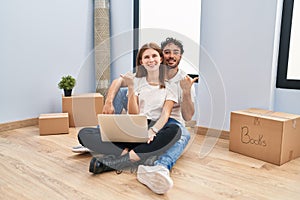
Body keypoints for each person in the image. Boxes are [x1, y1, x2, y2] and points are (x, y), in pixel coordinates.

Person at [101, 37, 198, 194]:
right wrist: (108, 102)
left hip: (170, 121)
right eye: (167, 52)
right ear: (162, 55)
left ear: (181, 56)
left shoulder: (183, 80)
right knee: (123, 91)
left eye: (176, 52)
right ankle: (104, 132)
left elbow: (187, 117)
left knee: (182, 133)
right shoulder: (148, 71)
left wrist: (186, 92)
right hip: (146, 116)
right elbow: (118, 81)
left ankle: (159, 167)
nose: (171, 56)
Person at [77, 42, 182, 176]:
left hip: (153, 129)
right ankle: (136, 155)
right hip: (135, 125)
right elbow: (134, 113)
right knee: (84, 134)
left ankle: (118, 161)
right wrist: (132, 88)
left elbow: (165, 114)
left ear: (161, 59)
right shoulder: (137, 81)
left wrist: (152, 131)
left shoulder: (170, 85)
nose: (151, 60)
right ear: (141, 61)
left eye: (154, 56)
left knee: (175, 131)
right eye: (146, 57)